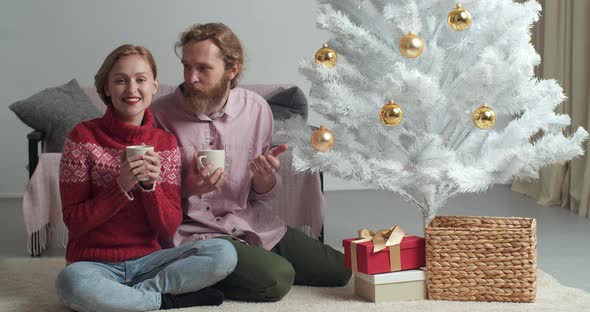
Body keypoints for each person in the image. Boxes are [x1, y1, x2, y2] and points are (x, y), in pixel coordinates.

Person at [151, 23, 351, 302]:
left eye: (203, 68)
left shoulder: (256, 109)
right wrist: (187, 187)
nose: (190, 78)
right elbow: (149, 195)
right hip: (193, 233)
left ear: (231, 70)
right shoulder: (159, 115)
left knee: (341, 270)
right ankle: (184, 274)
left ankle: (240, 264)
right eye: (186, 66)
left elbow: (261, 192)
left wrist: (265, 178)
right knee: (277, 279)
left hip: (247, 222)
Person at [55, 44, 237, 312]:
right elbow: (74, 222)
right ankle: (162, 300)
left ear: (154, 86)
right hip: (93, 264)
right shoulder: (82, 138)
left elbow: (168, 227)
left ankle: (131, 298)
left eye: (140, 80)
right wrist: (121, 187)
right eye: (120, 80)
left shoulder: (165, 143)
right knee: (70, 283)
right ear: (106, 88)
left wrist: (150, 188)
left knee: (223, 254)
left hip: (150, 262)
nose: (131, 89)